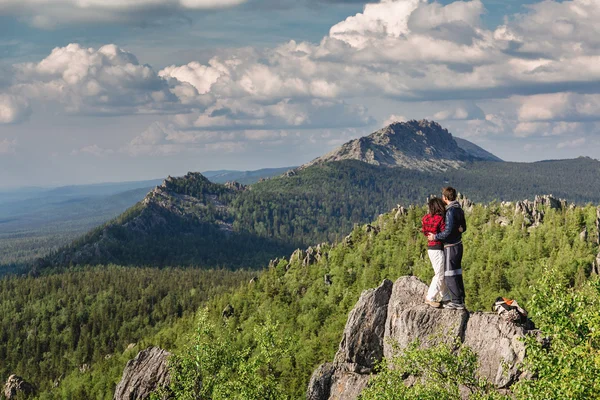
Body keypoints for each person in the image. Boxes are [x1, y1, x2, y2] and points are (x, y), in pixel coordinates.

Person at [427, 187, 467, 309]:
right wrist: (460, 229)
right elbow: (464, 227)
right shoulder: (459, 209)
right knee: (457, 272)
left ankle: (456, 301)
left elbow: (448, 231)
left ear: (445, 198)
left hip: (451, 246)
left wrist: (436, 236)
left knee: (449, 274)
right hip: (459, 245)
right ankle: (460, 299)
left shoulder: (450, 212)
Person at [421, 197, 451, 308]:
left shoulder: (425, 218)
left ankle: (446, 297)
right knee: (439, 274)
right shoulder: (440, 219)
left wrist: (431, 236)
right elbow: (444, 233)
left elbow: (425, 232)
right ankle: (430, 297)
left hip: (430, 248)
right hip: (438, 248)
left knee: (440, 272)